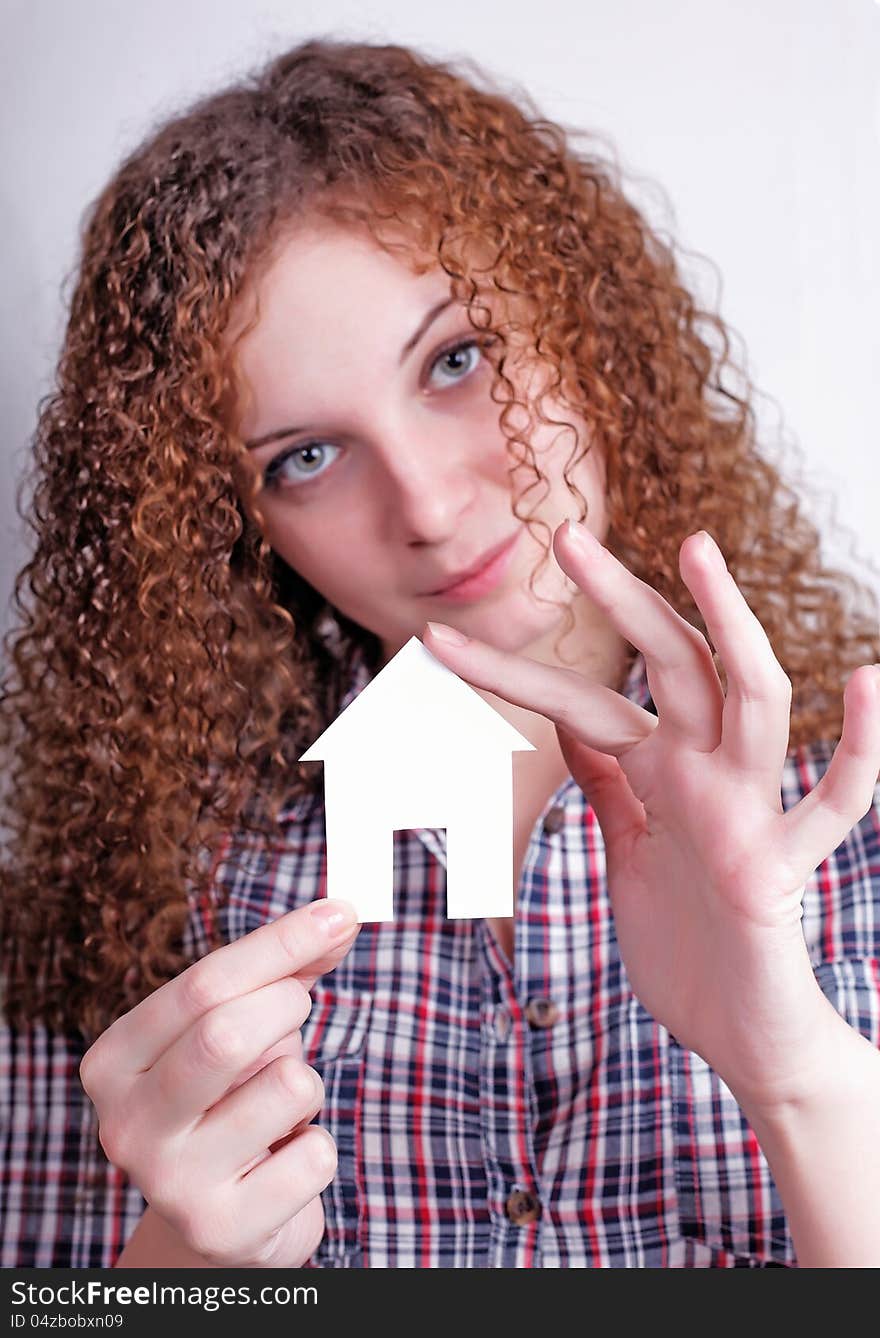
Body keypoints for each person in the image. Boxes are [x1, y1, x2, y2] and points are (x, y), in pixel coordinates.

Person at [1, 37, 879, 1271]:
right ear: (233, 528)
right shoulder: (135, 902)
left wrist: (805, 1087)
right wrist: (174, 1281)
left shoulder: (864, 813)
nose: (421, 504)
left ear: (590, 330)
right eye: (304, 456)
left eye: (456, 362)